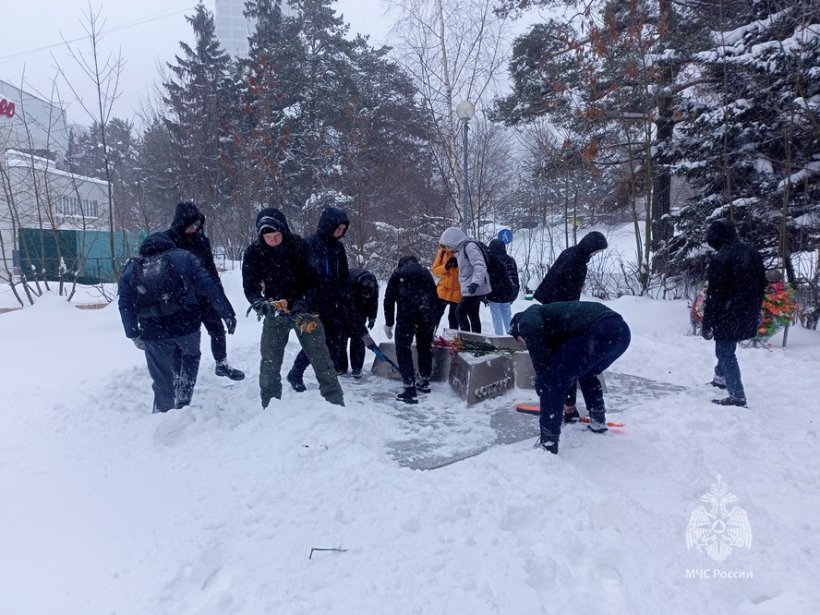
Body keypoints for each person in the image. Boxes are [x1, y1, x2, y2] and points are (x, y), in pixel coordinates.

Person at [118, 233, 237, 413]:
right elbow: (208, 285)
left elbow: (125, 304)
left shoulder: (133, 267)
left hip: (153, 331)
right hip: (186, 325)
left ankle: (163, 412)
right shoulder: (183, 257)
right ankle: (183, 401)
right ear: (169, 246)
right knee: (190, 356)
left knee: (161, 376)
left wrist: (133, 333)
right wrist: (227, 313)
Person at [242, 208, 344, 408]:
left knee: (322, 361)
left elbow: (316, 282)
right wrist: (258, 301)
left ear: (284, 230)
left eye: (277, 235)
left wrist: (303, 302)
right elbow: (250, 285)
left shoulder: (300, 247)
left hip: (306, 312)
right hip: (275, 310)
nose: (272, 240)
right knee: (269, 364)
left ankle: (335, 406)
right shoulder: (254, 252)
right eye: (268, 237)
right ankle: (271, 409)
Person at [509, 301, 631, 454]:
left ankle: (547, 445)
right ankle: (597, 422)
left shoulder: (526, 319)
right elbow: (567, 372)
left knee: (551, 382)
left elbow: (533, 332)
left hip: (600, 329)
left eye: (520, 342)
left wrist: (543, 379)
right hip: (621, 333)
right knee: (586, 373)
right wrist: (569, 405)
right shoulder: (555, 330)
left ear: (518, 335)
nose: (523, 345)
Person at [163, 201, 244, 381]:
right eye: (192, 225)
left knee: (217, 328)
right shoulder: (168, 241)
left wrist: (222, 300)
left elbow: (211, 271)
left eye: (198, 225)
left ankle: (221, 364)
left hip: (204, 294)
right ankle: (176, 374)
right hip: (181, 301)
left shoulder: (201, 240)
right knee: (183, 337)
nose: (196, 228)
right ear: (181, 223)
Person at [533, 230, 608, 422]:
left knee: (563, 361)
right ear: (591, 247)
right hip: (559, 314)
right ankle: (566, 407)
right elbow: (566, 289)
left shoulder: (572, 253)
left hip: (554, 309)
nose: (595, 255)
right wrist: (569, 316)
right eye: (596, 251)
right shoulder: (576, 262)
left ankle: (565, 405)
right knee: (566, 361)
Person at [701, 219, 767, 407]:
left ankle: (737, 396)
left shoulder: (721, 259)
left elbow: (715, 294)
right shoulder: (752, 252)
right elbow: (763, 282)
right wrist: (756, 307)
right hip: (748, 309)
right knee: (726, 347)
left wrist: (707, 323)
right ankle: (720, 379)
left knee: (725, 351)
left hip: (728, 312)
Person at [287, 206, 351, 390]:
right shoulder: (308, 245)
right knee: (314, 342)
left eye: (343, 230)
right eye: (337, 228)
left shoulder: (339, 248)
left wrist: (345, 296)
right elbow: (298, 276)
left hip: (333, 303)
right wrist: (301, 301)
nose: (340, 233)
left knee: (334, 342)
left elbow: (344, 276)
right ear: (328, 225)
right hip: (312, 302)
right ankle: (296, 374)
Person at [383, 255, 439, 404]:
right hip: (427, 315)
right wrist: (434, 320)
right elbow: (436, 297)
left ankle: (409, 388)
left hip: (406, 316)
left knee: (403, 349)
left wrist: (389, 324)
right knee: (424, 347)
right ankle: (424, 381)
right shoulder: (425, 273)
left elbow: (388, 300)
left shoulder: (398, 273)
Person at [438, 227, 490, 332]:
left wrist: (475, 282)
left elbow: (479, 265)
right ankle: (475, 339)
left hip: (474, 287)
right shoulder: (462, 250)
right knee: (473, 315)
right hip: (470, 288)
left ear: (454, 241)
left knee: (460, 312)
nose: (448, 249)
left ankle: (466, 337)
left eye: (449, 245)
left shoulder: (469, 247)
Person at [345, 268, 379, 379]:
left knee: (358, 340)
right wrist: (367, 339)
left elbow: (374, 302)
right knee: (341, 339)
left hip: (362, 310)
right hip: (343, 309)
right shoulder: (349, 285)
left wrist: (372, 318)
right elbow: (356, 321)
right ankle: (340, 367)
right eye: (365, 294)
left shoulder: (373, 285)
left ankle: (357, 368)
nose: (367, 296)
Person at [487, 238, 520, 335]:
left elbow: (489, 278)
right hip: (508, 293)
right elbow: (515, 277)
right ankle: (510, 336)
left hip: (495, 293)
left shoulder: (491, 260)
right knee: (507, 314)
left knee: (496, 316)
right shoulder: (510, 260)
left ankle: (499, 337)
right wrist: (514, 292)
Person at [431, 245, 461, 332]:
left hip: (457, 291)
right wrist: (446, 266)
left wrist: (457, 267)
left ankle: (453, 340)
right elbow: (435, 270)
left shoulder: (462, 253)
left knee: (453, 318)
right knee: (436, 315)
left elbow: (466, 271)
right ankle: (430, 335)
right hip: (443, 290)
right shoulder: (442, 252)